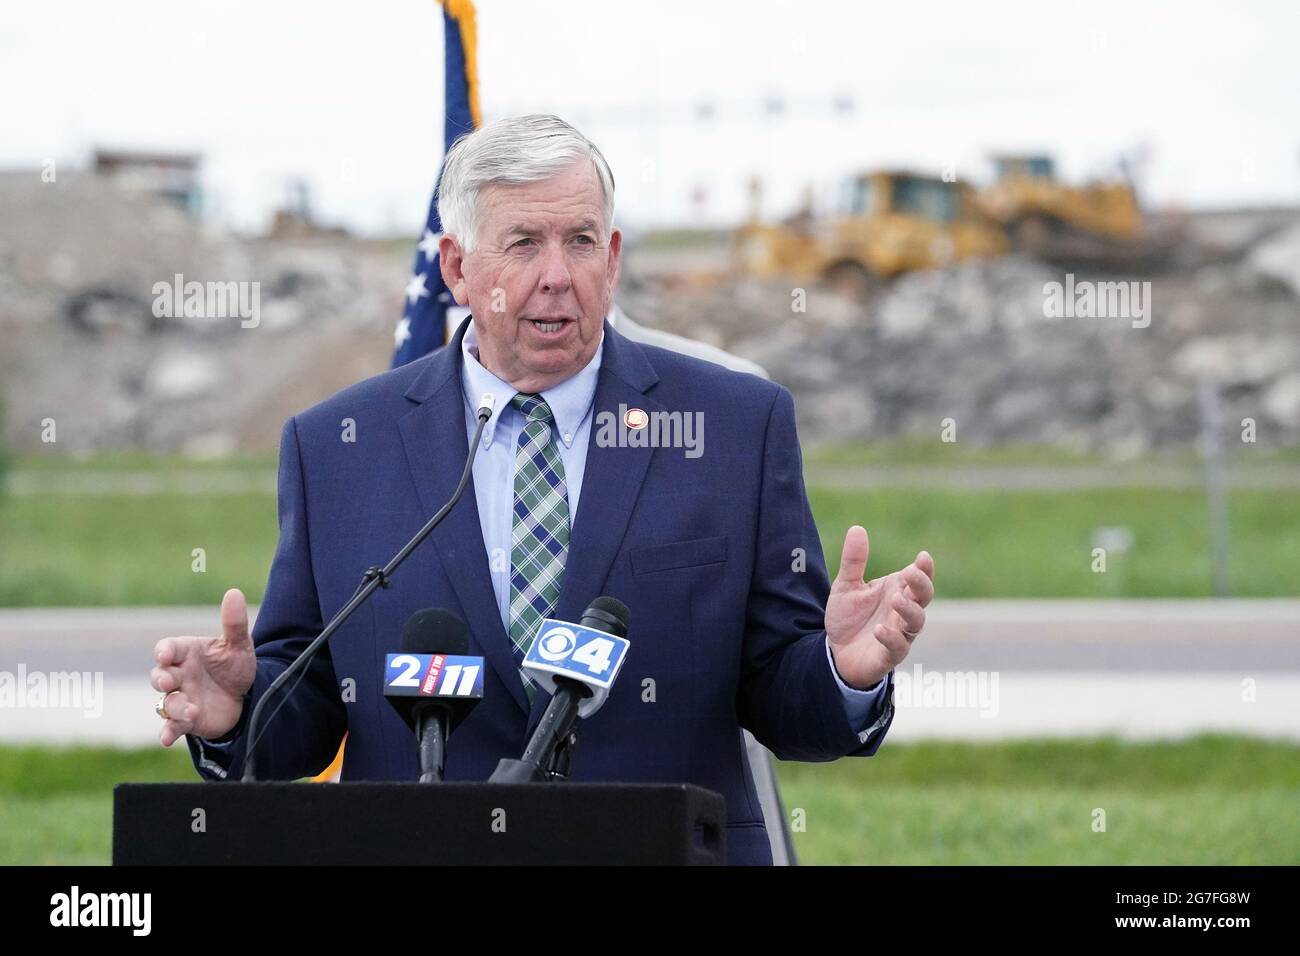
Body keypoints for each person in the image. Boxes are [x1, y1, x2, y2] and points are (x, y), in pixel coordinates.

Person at [149, 114, 935, 865]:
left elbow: (781, 699)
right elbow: (311, 710)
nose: (557, 276)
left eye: (580, 241)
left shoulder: (731, 426)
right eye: (523, 244)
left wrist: (841, 670)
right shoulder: (338, 448)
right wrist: (237, 715)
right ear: (458, 268)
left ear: (614, 258)